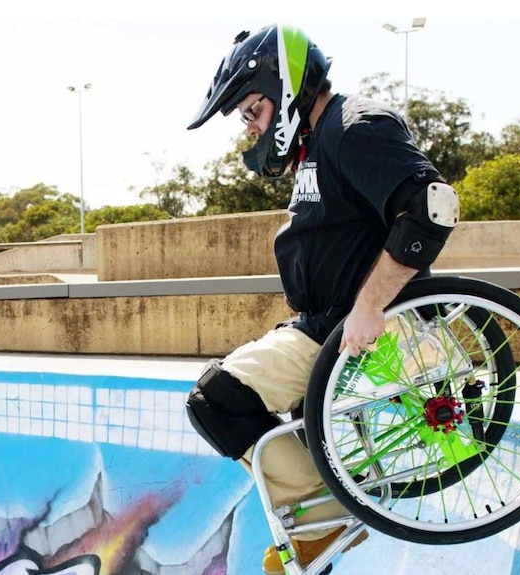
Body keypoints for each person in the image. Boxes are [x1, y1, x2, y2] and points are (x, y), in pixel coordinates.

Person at [184, 24, 459, 574]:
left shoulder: (354, 126)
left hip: (354, 328)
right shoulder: (318, 143)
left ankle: (324, 516)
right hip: (321, 326)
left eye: (252, 111)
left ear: (282, 86)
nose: (252, 128)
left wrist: (371, 306)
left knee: (217, 401)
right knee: (247, 408)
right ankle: (320, 514)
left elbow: (432, 207)